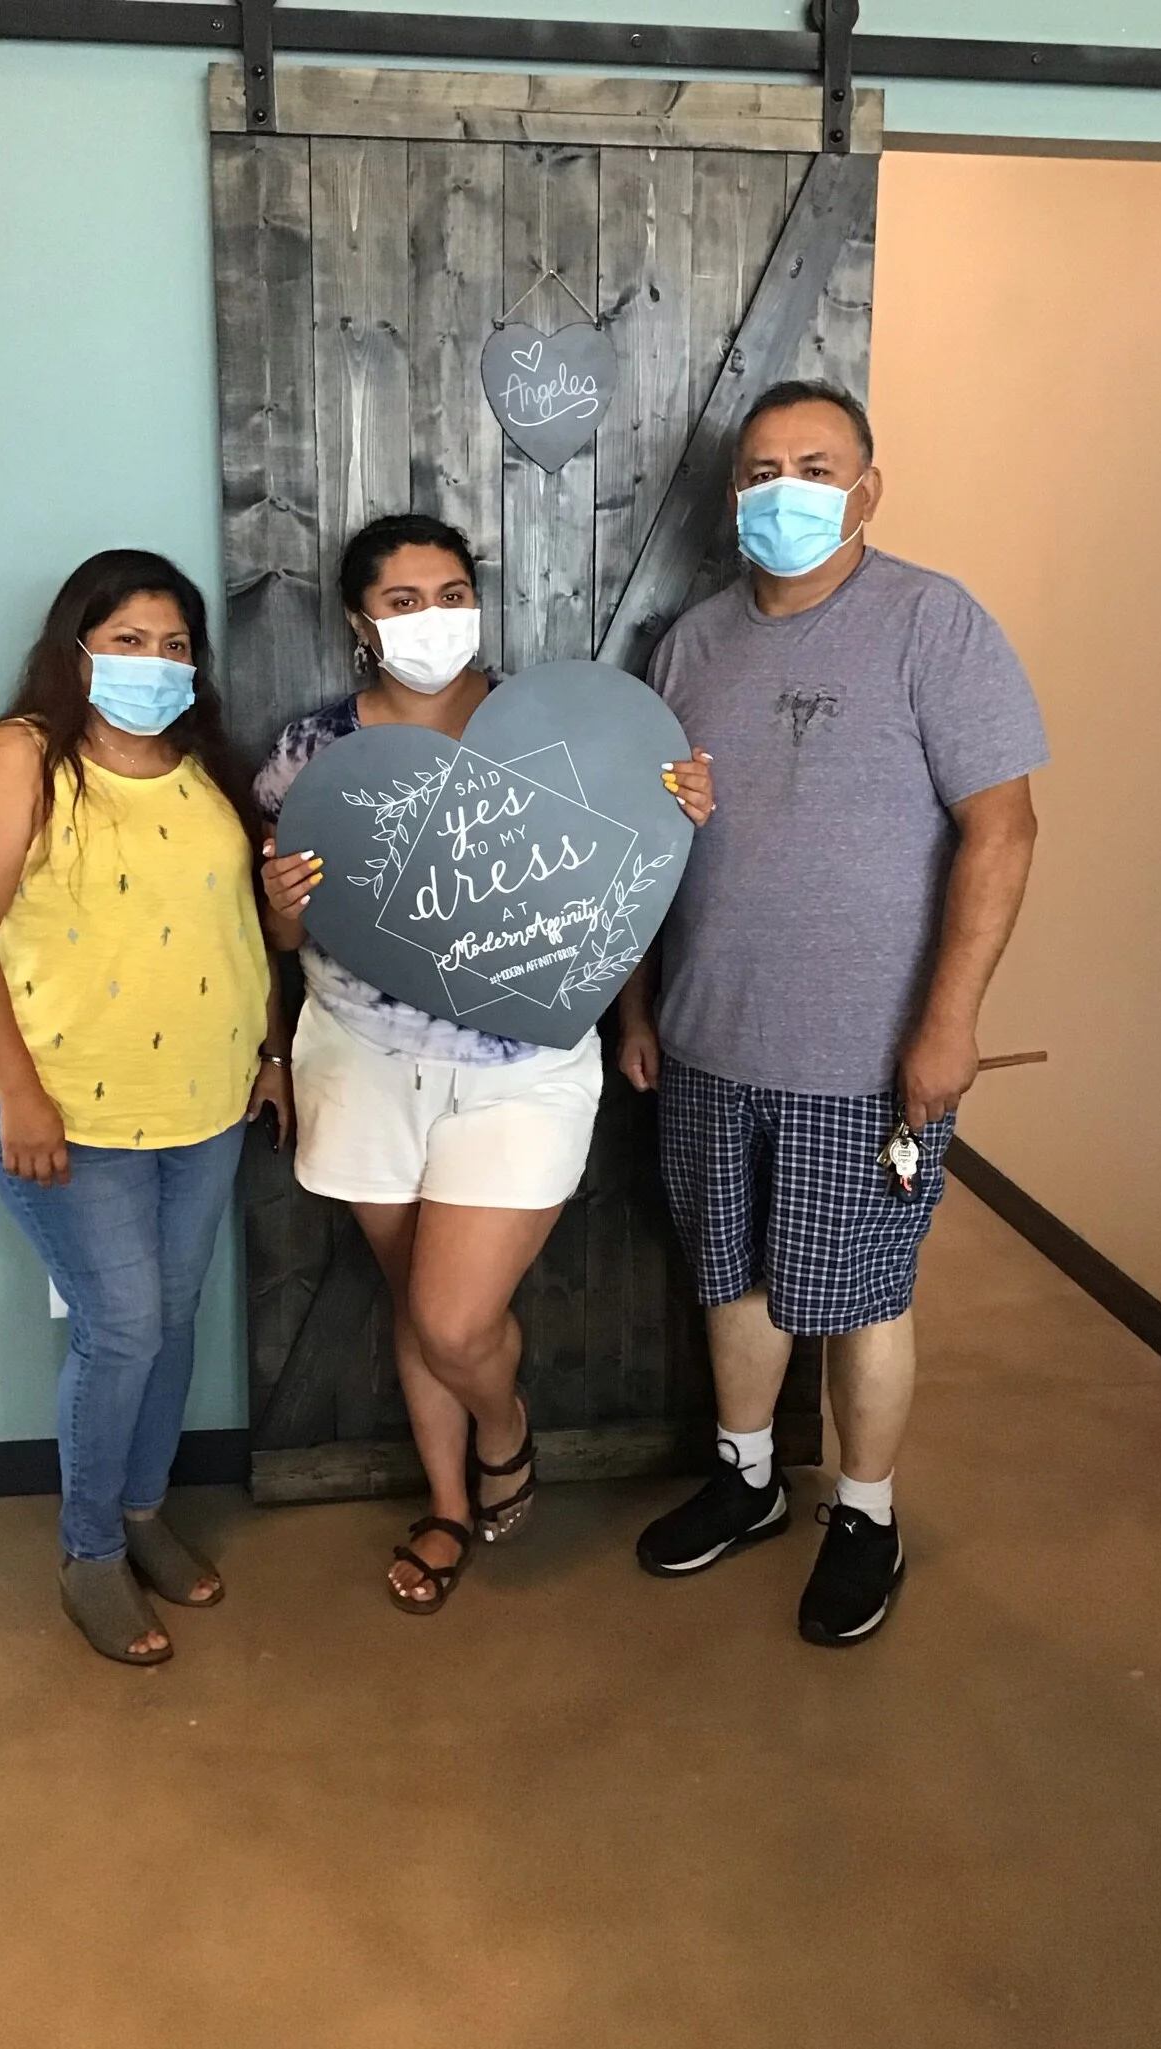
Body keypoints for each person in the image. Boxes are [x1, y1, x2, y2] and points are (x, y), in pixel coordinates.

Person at [619, 380, 1046, 1646]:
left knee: (864, 1292)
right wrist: (642, 1004)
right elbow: (644, 841)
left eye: (815, 464)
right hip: (705, 1037)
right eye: (759, 469)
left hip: (866, 1058)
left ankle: (866, 1512)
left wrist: (948, 1023)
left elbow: (1004, 827)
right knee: (732, 1278)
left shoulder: (933, 622)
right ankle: (747, 1479)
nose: (783, 488)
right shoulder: (689, 645)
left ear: (868, 486)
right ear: (731, 493)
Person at [257, 513, 712, 1613]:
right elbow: (283, 938)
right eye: (404, 601)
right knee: (419, 1305)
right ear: (361, 621)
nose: (432, 618)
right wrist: (277, 918)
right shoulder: (307, 757)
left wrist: (675, 820)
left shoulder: (575, 734)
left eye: (451, 592)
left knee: (456, 1318)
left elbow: (619, 906)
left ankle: (506, 1435)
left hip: (523, 1064)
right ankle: (449, 1505)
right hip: (360, 1060)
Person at [0, 550, 293, 1666]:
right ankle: (90, 1551)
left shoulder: (204, 770)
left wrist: (270, 1048)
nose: (154, 661)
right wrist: (22, 1096)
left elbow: (244, 933)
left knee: (174, 1321)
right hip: (69, 1116)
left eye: (175, 644)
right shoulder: (18, 760)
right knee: (122, 1326)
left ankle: (144, 1512)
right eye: (128, 639)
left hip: (205, 1103)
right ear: (75, 647)